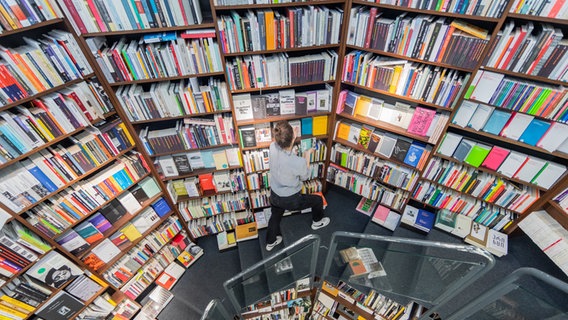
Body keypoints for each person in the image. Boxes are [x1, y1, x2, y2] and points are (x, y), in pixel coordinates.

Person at [266, 121, 330, 251]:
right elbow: (305, 176)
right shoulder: (297, 162)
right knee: (317, 200)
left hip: (274, 194)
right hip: (291, 199)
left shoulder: (272, 147)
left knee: (275, 216)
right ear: (293, 137)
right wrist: (307, 156)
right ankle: (317, 222)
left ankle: (270, 242)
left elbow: (284, 157)